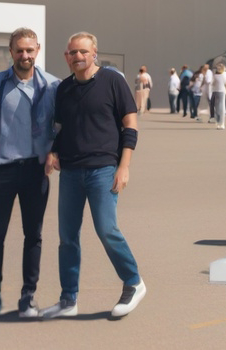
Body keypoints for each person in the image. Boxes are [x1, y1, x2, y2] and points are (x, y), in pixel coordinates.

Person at [41, 32, 145, 319]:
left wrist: (124, 166)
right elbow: (61, 128)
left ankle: (133, 282)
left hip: (103, 169)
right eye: (73, 52)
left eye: (83, 52)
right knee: (67, 238)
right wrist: (54, 151)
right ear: (66, 56)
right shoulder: (64, 89)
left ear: (94, 53)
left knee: (107, 230)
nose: (78, 57)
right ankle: (68, 300)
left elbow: (130, 126)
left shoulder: (113, 81)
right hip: (71, 173)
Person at [0, 29, 59, 319]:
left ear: (38, 49)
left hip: (36, 171)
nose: (25, 56)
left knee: (33, 235)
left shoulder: (52, 86)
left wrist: (54, 153)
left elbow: (62, 127)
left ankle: (27, 297)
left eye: (30, 50)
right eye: (20, 50)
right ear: (11, 51)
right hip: (1, 171)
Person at [211, 63, 226, 130]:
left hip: (217, 91)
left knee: (218, 107)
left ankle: (220, 122)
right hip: (221, 91)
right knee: (220, 107)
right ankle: (220, 122)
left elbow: (212, 83)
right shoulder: (225, 75)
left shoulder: (216, 75)